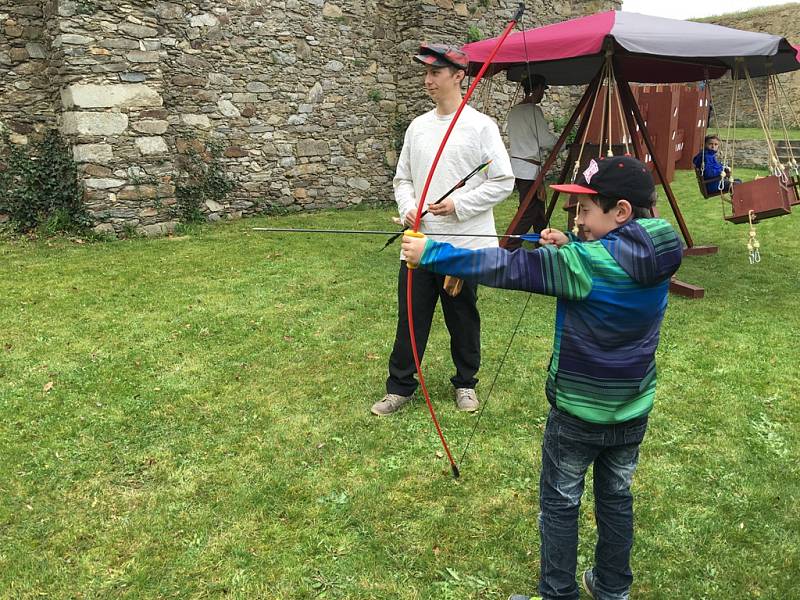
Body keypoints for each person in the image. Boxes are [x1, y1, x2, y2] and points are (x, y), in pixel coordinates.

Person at [401, 156, 683, 600]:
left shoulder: (582, 265)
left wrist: (433, 252)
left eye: (586, 211)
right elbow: (611, 257)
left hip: (577, 414)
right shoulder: (663, 249)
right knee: (616, 498)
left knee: (560, 502)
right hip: (632, 409)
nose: (578, 219)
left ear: (622, 211)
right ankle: (612, 589)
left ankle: (557, 593)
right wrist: (571, 240)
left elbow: (509, 267)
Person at [371, 43, 514, 417]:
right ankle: (400, 386)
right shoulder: (418, 128)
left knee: (462, 316)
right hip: (419, 243)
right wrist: (409, 209)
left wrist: (458, 205)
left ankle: (466, 383)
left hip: (463, 245)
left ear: (458, 76)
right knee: (411, 317)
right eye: (426, 73)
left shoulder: (481, 126)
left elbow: (503, 180)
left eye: (436, 73)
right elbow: (403, 179)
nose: (428, 80)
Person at [505, 73, 558, 250]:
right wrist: (563, 143)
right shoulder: (532, 111)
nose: (543, 93)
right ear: (536, 89)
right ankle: (510, 244)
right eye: (542, 89)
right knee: (528, 210)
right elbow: (545, 141)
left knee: (537, 209)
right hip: (528, 168)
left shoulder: (514, 111)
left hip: (520, 167)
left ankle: (542, 240)